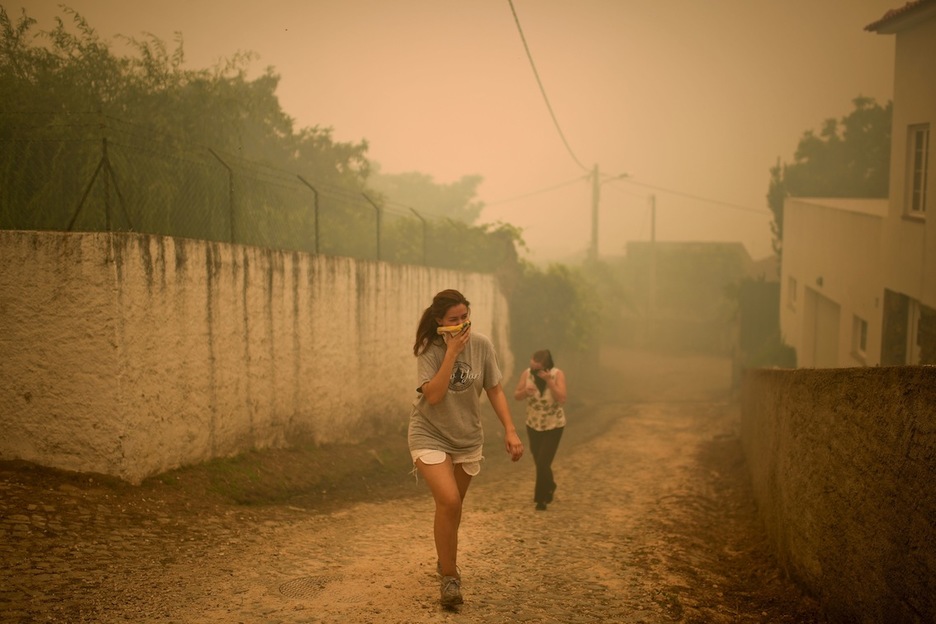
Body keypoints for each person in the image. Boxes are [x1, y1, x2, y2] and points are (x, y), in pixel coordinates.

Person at [408, 289, 524, 607]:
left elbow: (495, 389)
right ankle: (450, 578)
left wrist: (510, 431)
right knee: (448, 500)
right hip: (429, 433)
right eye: (453, 320)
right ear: (439, 322)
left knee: (454, 508)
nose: (461, 325)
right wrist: (451, 354)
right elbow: (433, 395)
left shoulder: (483, 345)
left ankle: (444, 559)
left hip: (467, 438)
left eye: (464, 318)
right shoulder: (429, 349)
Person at [513, 349, 567, 511]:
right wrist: (524, 392)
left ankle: (541, 499)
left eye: (538, 368)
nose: (534, 371)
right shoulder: (527, 374)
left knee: (543, 462)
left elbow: (562, 398)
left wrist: (549, 381)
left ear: (546, 367)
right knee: (539, 461)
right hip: (533, 424)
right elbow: (516, 395)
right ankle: (550, 485)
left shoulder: (557, 375)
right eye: (532, 367)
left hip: (554, 425)